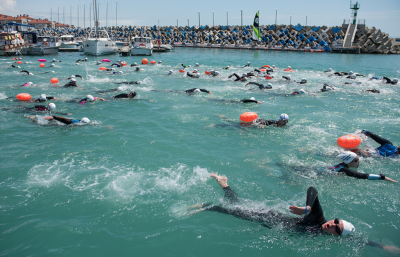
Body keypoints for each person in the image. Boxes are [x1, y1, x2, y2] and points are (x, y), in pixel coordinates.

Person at [192, 173, 355, 236]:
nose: (332, 224)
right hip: (269, 217)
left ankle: (224, 184)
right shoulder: (317, 219)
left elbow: (356, 239)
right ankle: (207, 205)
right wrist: (307, 208)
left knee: (236, 205)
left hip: (270, 225)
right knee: (234, 210)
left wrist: (380, 246)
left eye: (337, 228)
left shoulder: (323, 235)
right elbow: (313, 190)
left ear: (337, 236)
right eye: (336, 221)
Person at [329, 151, 397, 182]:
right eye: (356, 160)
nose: (359, 161)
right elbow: (362, 176)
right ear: (348, 162)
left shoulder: (342, 164)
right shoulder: (345, 170)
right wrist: (381, 177)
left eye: (358, 159)